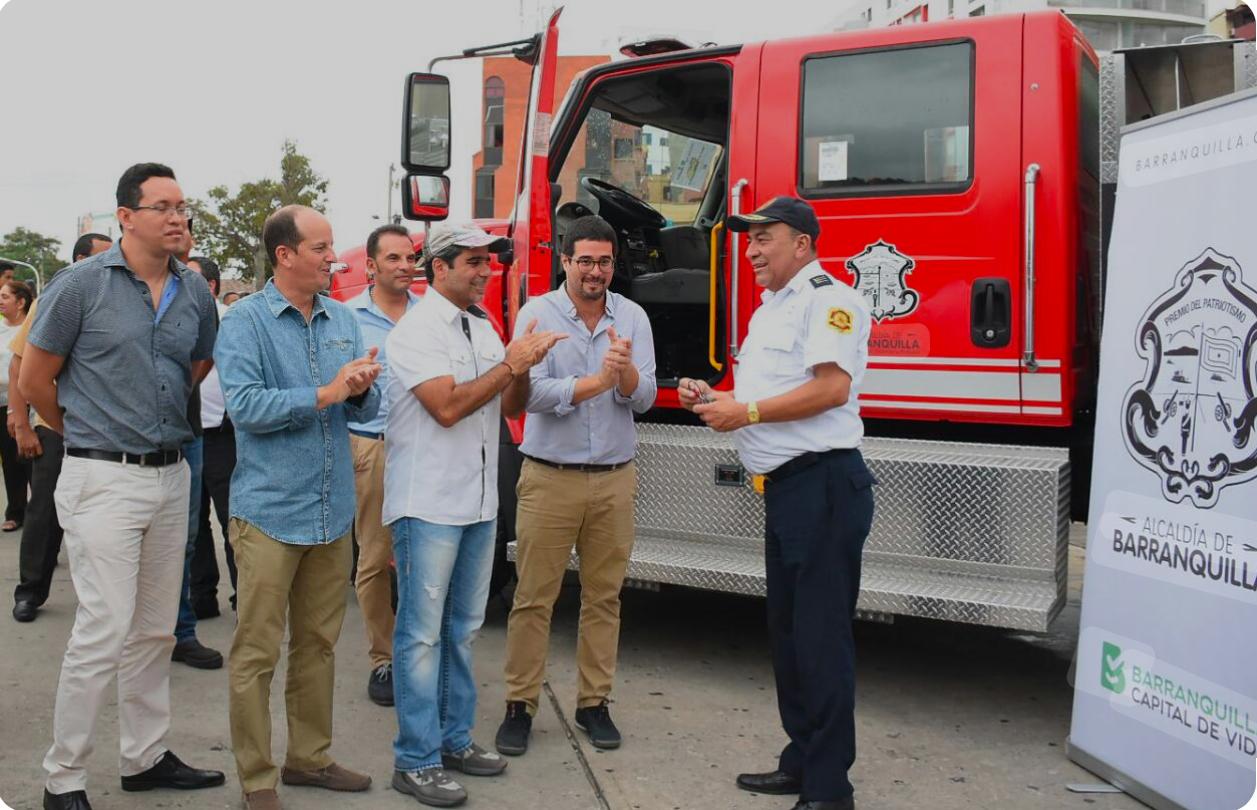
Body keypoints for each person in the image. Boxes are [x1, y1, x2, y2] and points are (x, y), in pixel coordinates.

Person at [22, 163, 224, 810]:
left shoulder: (194, 292)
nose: (176, 218)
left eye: (182, 207)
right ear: (126, 216)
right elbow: (34, 381)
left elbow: (197, 362)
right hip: (101, 474)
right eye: (162, 206)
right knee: (102, 629)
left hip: (172, 474)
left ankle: (144, 757)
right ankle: (64, 779)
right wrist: (86, 429)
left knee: (156, 630)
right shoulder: (79, 286)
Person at [679, 196, 875, 810]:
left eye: (766, 237)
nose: (753, 249)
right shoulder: (772, 309)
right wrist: (718, 398)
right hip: (789, 491)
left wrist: (749, 411)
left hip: (823, 487)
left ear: (804, 243)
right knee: (789, 636)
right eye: (749, 238)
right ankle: (801, 760)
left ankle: (828, 791)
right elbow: (768, 391)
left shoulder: (830, 300)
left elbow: (831, 387)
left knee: (820, 641)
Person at [383, 222, 563, 808]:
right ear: (437, 267)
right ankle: (415, 758)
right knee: (420, 636)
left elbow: (509, 403)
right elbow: (449, 407)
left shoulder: (483, 324)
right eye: (472, 263)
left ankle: (454, 740)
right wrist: (511, 364)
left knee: (462, 631)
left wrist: (525, 364)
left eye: (489, 263)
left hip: (478, 502)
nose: (486, 273)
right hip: (428, 503)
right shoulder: (416, 331)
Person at [215, 204, 381, 810]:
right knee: (257, 651)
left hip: (331, 510)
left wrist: (361, 389)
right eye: (320, 247)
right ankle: (257, 780)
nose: (331, 257)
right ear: (284, 255)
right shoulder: (244, 322)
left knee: (318, 644)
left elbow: (363, 406)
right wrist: (328, 392)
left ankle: (309, 758)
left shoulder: (342, 317)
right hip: (268, 512)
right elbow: (247, 409)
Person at [495, 215, 656, 756]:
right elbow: (528, 394)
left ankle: (594, 704)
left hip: (614, 479)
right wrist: (595, 382)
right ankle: (520, 705)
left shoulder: (632, 316)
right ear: (565, 261)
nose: (595, 271)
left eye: (604, 261)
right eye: (584, 260)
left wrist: (626, 374)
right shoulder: (537, 315)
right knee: (533, 598)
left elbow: (647, 395)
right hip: (549, 477)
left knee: (604, 599)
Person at [10, 233, 111, 624]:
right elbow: (20, 365)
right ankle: (30, 591)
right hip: (57, 424)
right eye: (103, 256)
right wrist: (21, 423)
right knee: (44, 510)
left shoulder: (117, 298)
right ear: (81, 258)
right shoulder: (59, 295)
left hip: (105, 429)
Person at [346, 223, 421, 707]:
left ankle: (418, 656)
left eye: (409, 257)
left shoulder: (431, 315)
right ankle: (383, 660)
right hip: (370, 445)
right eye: (392, 258)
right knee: (374, 558)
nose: (404, 266)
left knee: (422, 558)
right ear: (371, 265)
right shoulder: (347, 318)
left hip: (424, 449)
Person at [168, 226, 224, 670]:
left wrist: (180, 389)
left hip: (189, 437)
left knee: (184, 542)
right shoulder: (93, 286)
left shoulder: (195, 296)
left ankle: (180, 632)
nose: (178, 230)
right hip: (119, 451)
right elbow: (32, 370)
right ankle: (133, 639)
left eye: (185, 222)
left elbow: (205, 355)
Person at [186, 255, 237, 618]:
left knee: (232, 521)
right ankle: (202, 597)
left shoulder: (232, 320)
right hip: (185, 433)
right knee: (192, 525)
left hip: (224, 434)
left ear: (212, 287)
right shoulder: (170, 316)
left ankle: (245, 598)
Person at [0, 279, 33, 533]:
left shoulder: (31, 329)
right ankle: (15, 511)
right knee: (10, 461)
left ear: (21, 302)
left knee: (31, 460)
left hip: (27, 402)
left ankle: (39, 513)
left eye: (5, 296)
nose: (1, 300)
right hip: (2, 402)